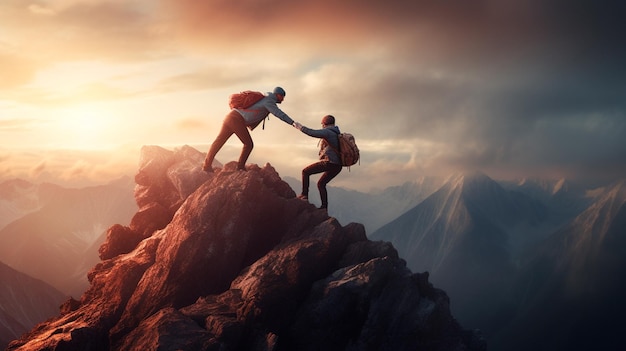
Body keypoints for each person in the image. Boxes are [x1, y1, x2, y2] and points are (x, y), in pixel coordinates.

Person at [203, 86, 297, 172]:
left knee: (218, 142)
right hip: (237, 119)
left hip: (231, 116)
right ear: (278, 95)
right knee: (248, 144)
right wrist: (293, 123)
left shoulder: (265, 97)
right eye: (282, 97)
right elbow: (280, 114)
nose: (283, 99)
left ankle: (206, 166)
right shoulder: (269, 101)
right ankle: (240, 168)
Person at [293, 115, 342, 210]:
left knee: (305, 172)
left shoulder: (328, 132)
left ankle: (304, 195)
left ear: (324, 123)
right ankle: (324, 207)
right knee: (321, 184)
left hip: (329, 163)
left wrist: (300, 127)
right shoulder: (336, 132)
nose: (322, 125)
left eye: (322, 123)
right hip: (338, 165)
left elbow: (312, 132)